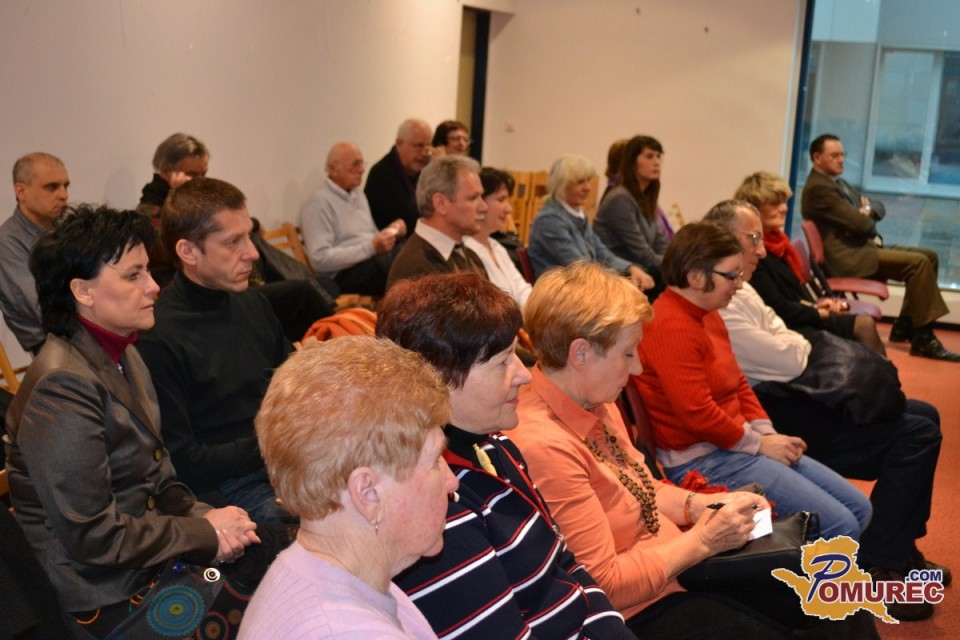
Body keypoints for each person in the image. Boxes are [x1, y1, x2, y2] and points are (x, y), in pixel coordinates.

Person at [511, 261, 876, 638]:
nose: (637, 369)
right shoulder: (545, 444)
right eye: (628, 353)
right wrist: (702, 541)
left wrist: (699, 506)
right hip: (640, 608)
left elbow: (642, 489)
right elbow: (604, 585)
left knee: (835, 598)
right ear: (580, 353)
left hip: (678, 567)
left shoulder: (591, 397)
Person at [4, 205, 274, 639]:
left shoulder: (125, 352)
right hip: (105, 596)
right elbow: (94, 536)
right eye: (133, 275)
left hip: (149, 562)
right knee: (271, 609)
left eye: (148, 270)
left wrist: (210, 518)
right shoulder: (60, 386)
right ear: (83, 291)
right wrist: (203, 532)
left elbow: (160, 481)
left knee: (284, 561)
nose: (153, 286)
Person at [705, 199, 947, 621]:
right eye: (753, 238)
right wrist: (798, 346)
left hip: (784, 395)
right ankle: (880, 561)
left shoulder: (743, 285)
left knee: (925, 415)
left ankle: (899, 545)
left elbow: (785, 334)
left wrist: (796, 345)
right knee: (917, 434)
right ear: (724, 240)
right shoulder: (724, 297)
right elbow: (783, 354)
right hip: (777, 412)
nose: (762, 248)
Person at [377, 273, 635, 640]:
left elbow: (567, 568)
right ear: (436, 380)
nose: (523, 375)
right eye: (502, 362)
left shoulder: (495, 446)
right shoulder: (437, 502)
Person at [634, 222, 872, 542]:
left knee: (859, 509)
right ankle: (803, 575)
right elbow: (698, 414)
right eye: (731, 275)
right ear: (696, 277)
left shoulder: (708, 312)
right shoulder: (669, 326)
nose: (740, 283)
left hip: (730, 447)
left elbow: (738, 383)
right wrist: (759, 444)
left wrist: (767, 434)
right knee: (840, 526)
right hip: (703, 461)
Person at [239, 337, 455, 639]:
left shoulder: (327, 573)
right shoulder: (347, 630)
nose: (451, 481)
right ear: (368, 493)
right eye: (434, 461)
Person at [138, 178, 294, 523]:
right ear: (188, 252)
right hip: (228, 484)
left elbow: (295, 381)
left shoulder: (252, 303)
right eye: (232, 242)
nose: (252, 253)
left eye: (248, 236)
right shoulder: (158, 338)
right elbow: (183, 461)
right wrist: (274, 442)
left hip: (284, 458)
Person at [801, 134, 960, 361]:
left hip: (861, 248)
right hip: (849, 258)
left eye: (843, 155)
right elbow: (863, 225)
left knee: (930, 256)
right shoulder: (819, 189)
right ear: (817, 158)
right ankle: (924, 338)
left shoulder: (837, 183)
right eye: (834, 155)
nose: (841, 160)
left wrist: (866, 211)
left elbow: (877, 207)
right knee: (919, 263)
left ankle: (904, 326)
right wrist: (863, 215)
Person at [736, 171, 885, 356]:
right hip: (787, 327)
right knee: (863, 326)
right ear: (755, 209)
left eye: (784, 202)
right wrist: (817, 312)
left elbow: (792, 296)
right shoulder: (755, 254)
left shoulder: (778, 243)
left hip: (798, 315)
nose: (784, 208)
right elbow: (776, 306)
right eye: (775, 204)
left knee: (864, 325)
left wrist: (817, 307)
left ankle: (881, 372)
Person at [526, 153, 654, 289]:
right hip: (560, 294)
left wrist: (631, 268)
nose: (588, 187)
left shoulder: (578, 215)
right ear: (561, 184)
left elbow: (603, 254)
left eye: (588, 180)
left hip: (583, 288)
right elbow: (580, 267)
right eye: (580, 182)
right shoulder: (550, 220)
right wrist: (621, 282)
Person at [299, 142, 407, 296]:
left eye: (362, 163)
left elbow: (371, 235)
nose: (362, 170)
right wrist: (370, 248)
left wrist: (391, 232)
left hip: (371, 261)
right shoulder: (318, 203)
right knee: (403, 267)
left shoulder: (358, 194)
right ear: (333, 169)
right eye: (355, 164)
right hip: (343, 274)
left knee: (410, 251)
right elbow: (320, 259)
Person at [0, 152, 69, 355]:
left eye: (65, 186)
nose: (63, 194)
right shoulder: (7, 242)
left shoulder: (66, 230)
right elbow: (42, 309)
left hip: (87, 334)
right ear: (21, 191)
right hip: (55, 346)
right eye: (52, 187)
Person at [386, 155, 489, 288]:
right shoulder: (417, 269)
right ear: (440, 203)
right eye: (473, 198)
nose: (483, 207)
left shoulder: (470, 255)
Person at [594, 135, 668, 298]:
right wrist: (676, 265)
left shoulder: (645, 197)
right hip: (617, 277)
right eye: (649, 156)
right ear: (632, 163)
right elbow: (642, 253)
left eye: (658, 156)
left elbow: (660, 242)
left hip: (642, 271)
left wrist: (676, 261)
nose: (656, 162)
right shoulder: (620, 198)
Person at [463, 168, 531, 306]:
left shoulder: (496, 246)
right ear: (480, 203)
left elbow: (523, 290)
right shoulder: (466, 250)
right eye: (501, 199)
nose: (509, 209)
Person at [366, 118, 433, 232]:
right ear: (399, 143)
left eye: (429, 146)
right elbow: (404, 220)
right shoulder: (382, 174)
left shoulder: (426, 171)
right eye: (419, 146)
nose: (425, 153)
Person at [136, 133, 210, 225]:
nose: (200, 181)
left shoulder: (200, 201)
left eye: (203, 174)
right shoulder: (149, 211)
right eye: (192, 174)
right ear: (166, 172)